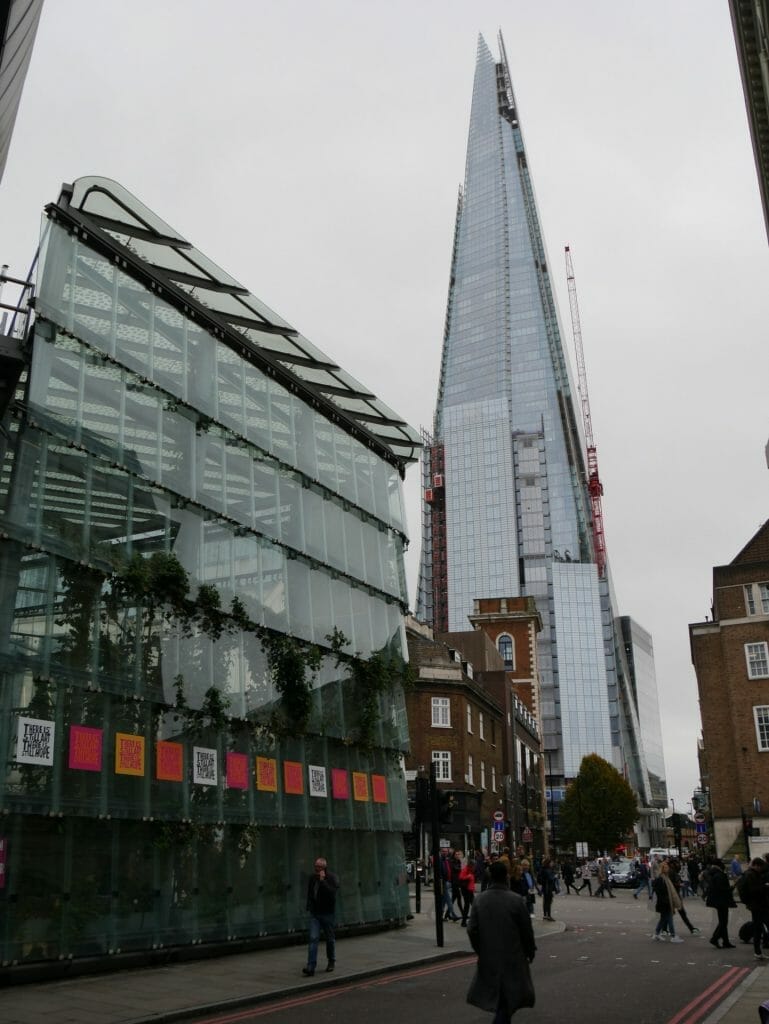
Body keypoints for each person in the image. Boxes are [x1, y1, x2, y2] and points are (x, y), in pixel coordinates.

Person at [466, 860, 536, 1024]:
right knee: (506, 1000)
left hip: (489, 956)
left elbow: (471, 929)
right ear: (506, 876)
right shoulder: (516, 900)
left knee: (502, 999)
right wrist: (530, 951)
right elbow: (527, 931)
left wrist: (480, 949)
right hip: (512, 956)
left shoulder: (479, 900)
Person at [302, 855, 339, 976]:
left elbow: (332, 894)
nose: (316, 869)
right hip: (315, 914)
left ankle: (331, 961)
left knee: (330, 939)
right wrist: (309, 906)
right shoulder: (312, 878)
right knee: (313, 938)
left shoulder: (331, 878)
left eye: (318, 867)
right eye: (315, 866)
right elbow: (310, 893)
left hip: (327, 913)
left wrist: (323, 881)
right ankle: (310, 966)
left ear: (324, 867)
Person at [738, 857, 769, 960]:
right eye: (760, 867)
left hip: (756, 905)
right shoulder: (751, 875)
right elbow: (754, 890)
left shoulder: (751, 874)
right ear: (756, 865)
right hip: (757, 905)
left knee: (759, 927)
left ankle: (758, 952)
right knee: (758, 928)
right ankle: (757, 952)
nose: (761, 869)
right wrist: (765, 886)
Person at [705, 858, 736, 950]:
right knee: (723, 922)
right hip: (721, 900)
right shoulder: (719, 875)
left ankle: (725, 941)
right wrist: (731, 889)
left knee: (723, 921)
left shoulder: (714, 874)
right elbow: (721, 889)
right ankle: (715, 938)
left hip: (718, 900)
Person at [652, 860, 684, 943]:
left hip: (664, 902)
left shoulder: (665, 878)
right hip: (665, 903)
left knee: (663, 919)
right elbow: (661, 892)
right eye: (666, 867)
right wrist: (667, 901)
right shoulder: (661, 879)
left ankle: (656, 934)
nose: (668, 869)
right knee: (669, 919)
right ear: (662, 869)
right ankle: (673, 936)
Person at [460, 855, 477, 927]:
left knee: (473, 905)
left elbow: (472, 881)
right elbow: (460, 877)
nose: (474, 867)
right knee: (468, 906)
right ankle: (464, 921)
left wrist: (473, 888)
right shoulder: (466, 870)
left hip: (469, 890)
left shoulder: (471, 870)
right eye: (473, 866)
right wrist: (468, 876)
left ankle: (467, 921)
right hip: (466, 890)